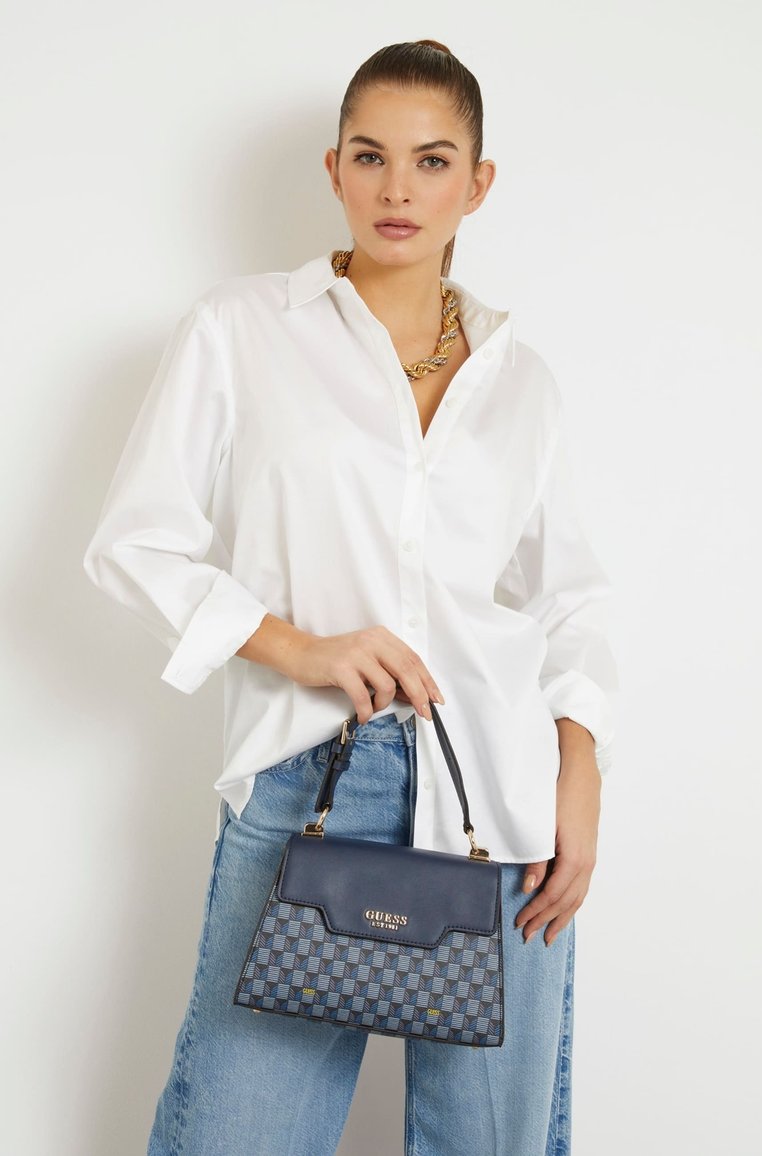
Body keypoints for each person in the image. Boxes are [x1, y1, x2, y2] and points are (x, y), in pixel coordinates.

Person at [83, 38, 618, 1156]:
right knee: (236, 1135)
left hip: (500, 796)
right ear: (333, 170)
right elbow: (135, 542)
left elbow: (567, 597)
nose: (397, 189)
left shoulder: (521, 380)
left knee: (491, 1144)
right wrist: (298, 646)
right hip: (310, 774)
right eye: (370, 156)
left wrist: (579, 763)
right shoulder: (242, 329)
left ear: (477, 183)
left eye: (432, 161)